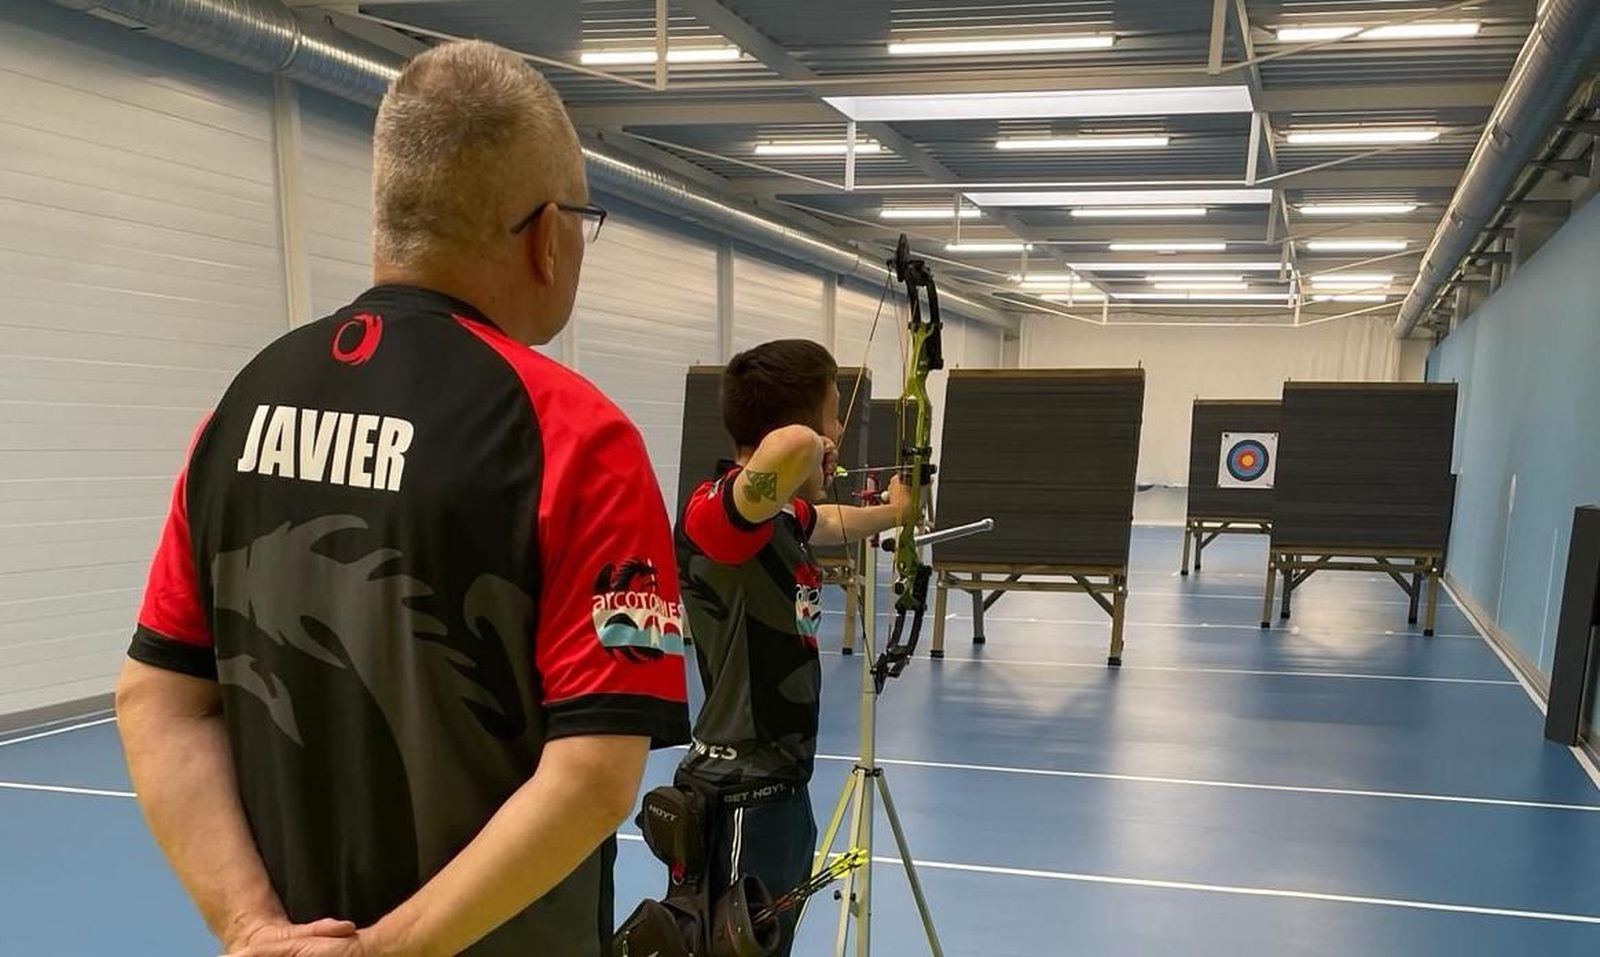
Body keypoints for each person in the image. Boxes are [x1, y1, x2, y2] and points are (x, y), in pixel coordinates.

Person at [114, 40, 690, 957]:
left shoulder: (242, 405)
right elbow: (594, 771)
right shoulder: (580, 437)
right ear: (546, 234)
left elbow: (157, 699)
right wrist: (387, 948)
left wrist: (252, 925)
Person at [674, 340, 912, 955]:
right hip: (738, 792)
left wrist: (892, 515)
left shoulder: (775, 516)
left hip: (779, 785)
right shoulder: (716, 513)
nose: (838, 431)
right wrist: (813, 439)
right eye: (835, 414)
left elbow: (827, 521)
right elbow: (790, 452)